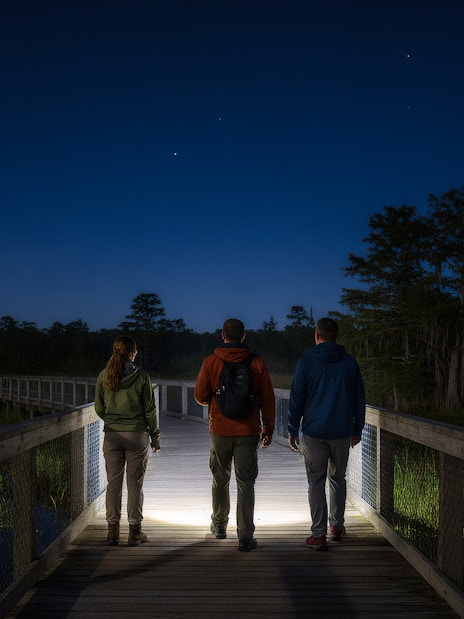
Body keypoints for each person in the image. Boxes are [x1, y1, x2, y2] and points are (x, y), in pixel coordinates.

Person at [194, 318, 275, 552]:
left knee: (220, 478)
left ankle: (219, 526)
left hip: (220, 430)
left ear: (222, 335)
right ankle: (245, 536)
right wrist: (267, 430)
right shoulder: (257, 362)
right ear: (243, 336)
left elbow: (200, 396)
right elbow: (268, 399)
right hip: (248, 431)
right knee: (246, 482)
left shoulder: (211, 361)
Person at [287, 317, 365, 551]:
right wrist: (357, 429)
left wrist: (292, 429)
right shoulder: (350, 363)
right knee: (337, 478)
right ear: (335, 336)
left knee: (316, 482)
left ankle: (318, 535)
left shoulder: (307, 362)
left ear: (317, 335)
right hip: (341, 432)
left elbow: (296, 398)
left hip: (314, 432)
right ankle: (337, 525)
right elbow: (359, 399)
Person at [95, 335, 160, 546]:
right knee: (135, 484)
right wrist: (155, 437)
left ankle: (112, 532)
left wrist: (113, 420)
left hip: (112, 436)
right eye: (135, 350)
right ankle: (135, 532)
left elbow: (98, 408)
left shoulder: (104, 375)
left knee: (113, 483)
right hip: (137, 436)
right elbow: (150, 410)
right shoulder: (141, 376)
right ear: (132, 353)